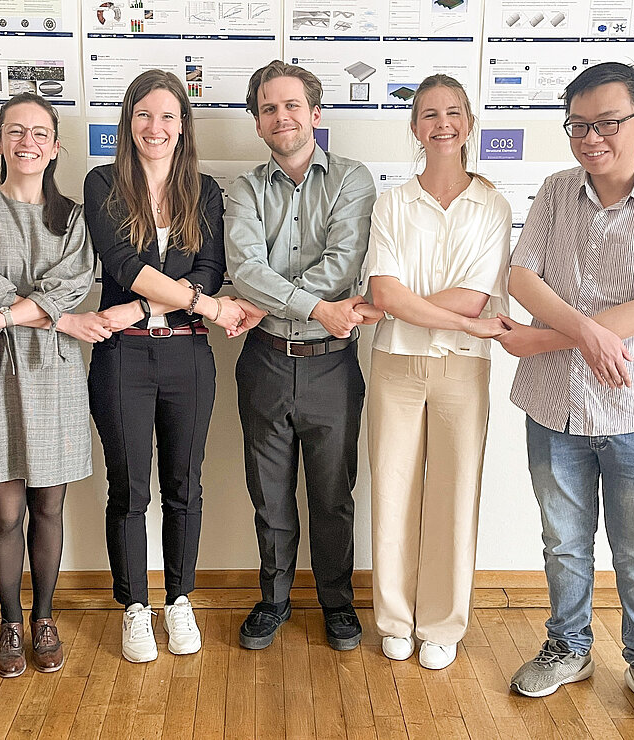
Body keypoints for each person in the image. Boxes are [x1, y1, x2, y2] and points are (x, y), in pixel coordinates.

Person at [496, 62, 634, 733]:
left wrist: (543, 339)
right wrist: (585, 332)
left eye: (608, 123)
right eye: (578, 125)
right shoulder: (557, 191)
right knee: (563, 542)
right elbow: (522, 277)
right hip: (553, 404)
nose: (591, 138)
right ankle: (569, 649)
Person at [83, 69, 246, 663]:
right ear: (129, 121)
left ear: (183, 125)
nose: (156, 127)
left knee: (183, 485)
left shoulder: (204, 191)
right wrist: (203, 304)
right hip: (121, 357)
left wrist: (147, 307)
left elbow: (210, 268)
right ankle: (135, 606)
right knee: (128, 487)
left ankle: (179, 599)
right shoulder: (103, 182)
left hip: (187, 355)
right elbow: (123, 264)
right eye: (144, 115)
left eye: (168, 116)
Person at [0, 92, 109, 679]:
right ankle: (10, 621)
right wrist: (55, 318)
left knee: (49, 504)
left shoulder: (75, 217)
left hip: (55, 372)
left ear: (56, 147)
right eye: (15, 131)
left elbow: (73, 287)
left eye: (40, 133)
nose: (27, 142)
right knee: (4, 511)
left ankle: (44, 618)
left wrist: (10, 317)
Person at [224, 60, 376, 652]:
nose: (281, 116)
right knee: (269, 494)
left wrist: (273, 300)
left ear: (315, 113)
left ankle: (337, 602)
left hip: (332, 365)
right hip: (263, 360)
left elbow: (342, 263)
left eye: (291, 105)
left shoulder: (352, 179)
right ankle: (274, 600)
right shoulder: (244, 189)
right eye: (268, 108)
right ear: (257, 122)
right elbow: (244, 268)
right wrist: (315, 308)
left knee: (333, 495)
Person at [363, 74, 510, 670]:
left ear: (468, 124)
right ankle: (396, 620)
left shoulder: (493, 205)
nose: (441, 123)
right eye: (429, 114)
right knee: (392, 490)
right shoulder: (392, 202)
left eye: (452, 113)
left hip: (463, 369)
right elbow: (383, 293)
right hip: (395, 362)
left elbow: (474, 297)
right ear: (415, 127)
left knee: (455, 492)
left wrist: (410, 304)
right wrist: (420, 308)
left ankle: (443, 624)